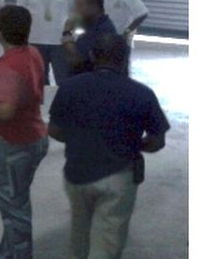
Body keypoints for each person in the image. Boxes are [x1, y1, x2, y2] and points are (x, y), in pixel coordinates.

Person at [49, 34, 169, 259]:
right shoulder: (142, 94)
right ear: (125, 58)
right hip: (118, 176)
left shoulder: (70, 87)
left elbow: (54, 130)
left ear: (93, 56)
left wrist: (79, 139)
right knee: (107, 242)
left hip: (77, 173)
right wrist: (134, 144)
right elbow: (157, 141)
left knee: (79, 232)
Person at [0, 6, 48, 259]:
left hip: (15, 143)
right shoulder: (31, 54)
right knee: (15, 198)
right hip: (34, 135)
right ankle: (10, 245)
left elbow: (5, 110)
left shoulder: (10, 65)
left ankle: (19, 253)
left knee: (15, 204)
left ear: (1, 30)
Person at [16, 0, 78, 85]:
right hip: (35, 41)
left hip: (60, 42)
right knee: (38, 81)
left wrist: (71, 34)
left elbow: (78, 12)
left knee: (64, 80)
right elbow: (20, 14)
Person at [61, 0, 118, 76]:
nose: (76, 10)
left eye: (80, 6)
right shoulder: (91, 26)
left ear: (94, 7)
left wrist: (67, 33)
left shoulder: (102, 30)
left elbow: (77, 58)